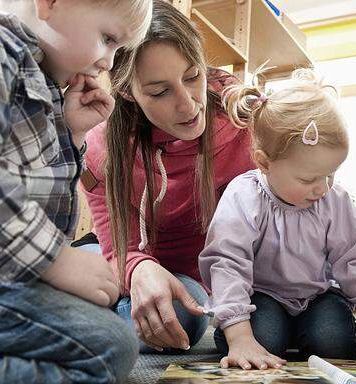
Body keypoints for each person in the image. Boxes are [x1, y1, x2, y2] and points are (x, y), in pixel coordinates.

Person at [199, 68, 356, 370]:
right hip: (261, 297)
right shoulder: (244, 196)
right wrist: (238, 334)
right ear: (264, 162)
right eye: (309, 178)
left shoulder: (333, 199)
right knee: (262, 338)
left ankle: (315, 333)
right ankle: (269, 334)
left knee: (335, 343)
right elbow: (228, 263)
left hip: (317, 297)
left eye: (330, 174)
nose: (323, 187)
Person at [0, 0, 152, 382]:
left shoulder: (39, 73)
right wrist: (56, 260)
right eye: (108, 38)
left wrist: (72, 131)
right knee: (111, 346)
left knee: (106, 330)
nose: (109, 62)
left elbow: (38, 187)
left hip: (8, 271)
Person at [82, 0, 255, 354]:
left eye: (193, 76)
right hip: (143, 264)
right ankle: (92, 279)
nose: (189, 104)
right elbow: (120, 244)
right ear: (128, 92)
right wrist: (137, 269)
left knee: (186, 312)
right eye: (160, 92)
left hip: (211, 275)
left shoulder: (241, 116)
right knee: (180, 315)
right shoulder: (101, 145)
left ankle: (93, 291)